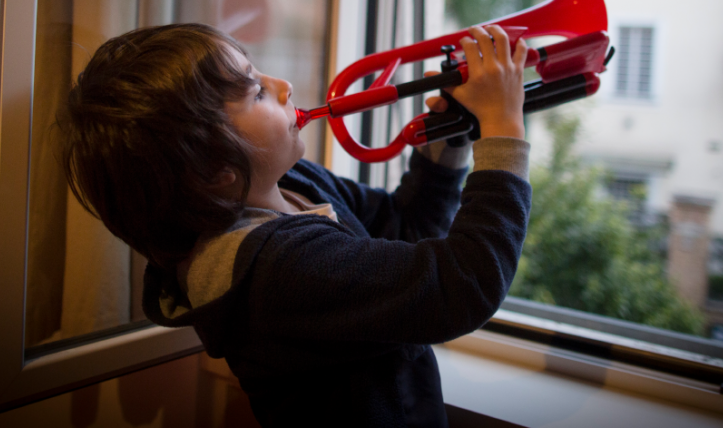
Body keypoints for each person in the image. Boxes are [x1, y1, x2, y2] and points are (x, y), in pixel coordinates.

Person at [61, 22, 532, 427]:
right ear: (214, 171)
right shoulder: (274, 271)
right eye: (257, 91)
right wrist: (504, 127)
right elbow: (463, 284)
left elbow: (403, 226)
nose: (283, 84)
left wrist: (450, 138)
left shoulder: (288, 183)